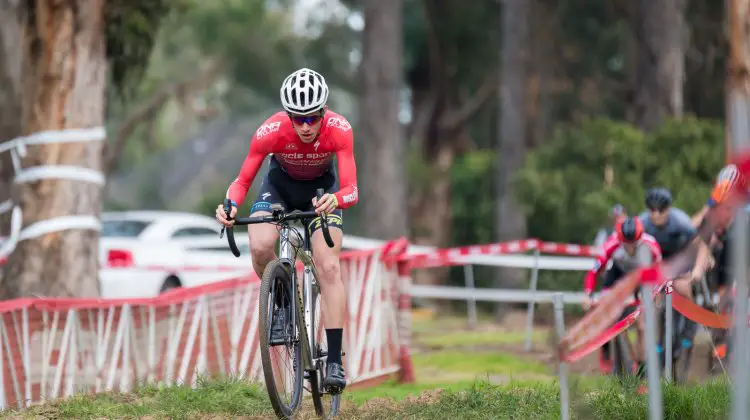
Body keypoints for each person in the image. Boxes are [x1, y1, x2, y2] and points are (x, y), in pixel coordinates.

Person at [215, 68, 358, 393]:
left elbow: (352, 190)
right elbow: (241, 182)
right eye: (297, 118)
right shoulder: (270, 131)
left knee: (329, 266)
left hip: (323, 192)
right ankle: (281, 304)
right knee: (261, 244)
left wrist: (335, 199)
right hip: (279, 187)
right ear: (287, 115)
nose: (305, 126)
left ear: (323, 112)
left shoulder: (339, 130)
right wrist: (229, 206)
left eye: (312, 117)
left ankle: (334, 362)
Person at [582, 216, 663, 376]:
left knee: (642, 326)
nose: (630, 248)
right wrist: (588, 294)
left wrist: (656, 293)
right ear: (620, 240)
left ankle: (641, 365)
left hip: (641, 277)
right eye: (626, 244)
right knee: (609, 314)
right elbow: (594, 271)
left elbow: (660, 273)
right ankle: (608, 350)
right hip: (618, 276)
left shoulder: (651, 245)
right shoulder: (611, 244)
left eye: (634, 243)